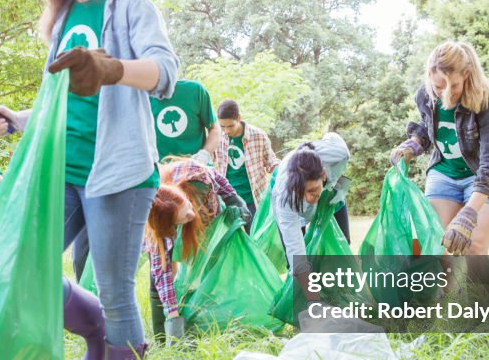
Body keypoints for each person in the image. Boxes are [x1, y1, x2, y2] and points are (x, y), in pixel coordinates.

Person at [0, 0, 178, 360]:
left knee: (115, 291)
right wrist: (16, 119)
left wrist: (113, 69)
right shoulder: (64, 17)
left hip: (117, 173)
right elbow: (58, 102)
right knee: (21, 270)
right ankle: (93, 330)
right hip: (61, 171)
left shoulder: (131, 5)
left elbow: (164, 73)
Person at [390, 40, 489, 255]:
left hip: (482, 177)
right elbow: (429, 127)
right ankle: (446, 290)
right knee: (437, 246)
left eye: (453, 86)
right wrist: (414, 143)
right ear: (429, 75)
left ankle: (477, 290)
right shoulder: (425, 95)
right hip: (444, 174)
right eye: (439, 87)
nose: (446, 95)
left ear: (467, 75)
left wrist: (470, 213)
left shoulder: (485, 101)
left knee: (472, 247)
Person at [143, 159, 249, 343]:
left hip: (206, 215)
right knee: (158, 272)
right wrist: (173, 317)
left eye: (188, 208)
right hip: (164, 225)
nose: (191, 215)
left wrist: (231, 197)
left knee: (208, 265)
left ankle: (209, 313)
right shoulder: (158, 223)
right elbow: (163, 271)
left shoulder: (199, 177)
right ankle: (162, 336)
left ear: (183, 197)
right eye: (184, 218)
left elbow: (215, 176)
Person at [271, 132, 351, 297]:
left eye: (312, 190)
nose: (310, 198)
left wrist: (338, 185)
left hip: (330, 191)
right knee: (297, 258)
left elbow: (332, 136)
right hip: (290, 197)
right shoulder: (285, 198)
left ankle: (340, 294)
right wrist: (312, 298)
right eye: (304, 193)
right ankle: (307, 297)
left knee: (341, 244)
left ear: (322, 174)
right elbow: (295, 248)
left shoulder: (337, 153)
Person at [212, 99, 279, 228]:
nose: (226, 131)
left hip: (253, 199)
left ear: (239, 118)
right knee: (228, 242)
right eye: (222, 126)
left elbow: (271, 162)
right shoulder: (217, 136)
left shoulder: (258, 136)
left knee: (254, 239)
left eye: (230, 126)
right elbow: (209, 162)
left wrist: (285, 170)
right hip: (227, 199)